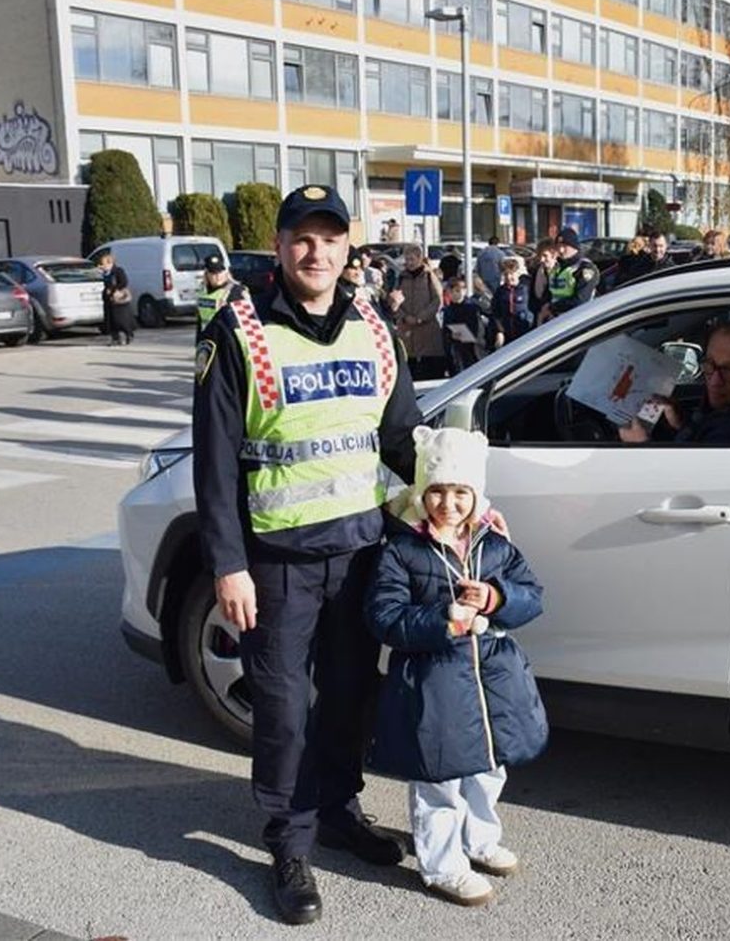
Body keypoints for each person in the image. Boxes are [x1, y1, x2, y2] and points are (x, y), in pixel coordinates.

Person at [192, 183, 422, 925]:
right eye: (302, 236)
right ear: (282, 244)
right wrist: (228, 564)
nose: (316, 251)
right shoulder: (239, 329)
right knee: (286, 713)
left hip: (358, 555)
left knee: (350, 697)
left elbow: (402, 442)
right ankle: (290, 843)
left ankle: (338, 808)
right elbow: (215, 462)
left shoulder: (375, 329)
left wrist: (460, 504)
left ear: (348, 246)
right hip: (277, 565)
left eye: (330, 237)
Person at [366, 425, 546, 906]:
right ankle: (441, 864)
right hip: (434, 683)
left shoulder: (495, 543)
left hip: (492, 679)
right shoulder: (403, 551)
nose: (449, 503)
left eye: (461, 492)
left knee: (489, 770)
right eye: (438, 491)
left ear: (476, 494)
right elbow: (384, 616)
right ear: (422, 493)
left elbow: (532, 597)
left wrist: (496, 597)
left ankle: (479, 839)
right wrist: (441, 621)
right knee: (439, 779)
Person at [619, 321, 730, 444]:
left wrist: (641, 446)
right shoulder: (722, 414)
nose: (715, 381)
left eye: (729, 370)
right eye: (709, 364)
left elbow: (696, 476)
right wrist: (682, 425)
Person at [389, 243, 445, 380]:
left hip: (427, 330)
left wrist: (420, 317)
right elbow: (394, 300)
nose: (409, 263)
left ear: (419, 258)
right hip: (407, 331)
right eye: (406, 259)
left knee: (428, 370)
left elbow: (437, 300)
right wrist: (404, 316)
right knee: (409, 369)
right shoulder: (401, 277)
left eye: (412, 259)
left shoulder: (429, 276)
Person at [537, 227, 598, 324]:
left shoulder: (585, 268)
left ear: (574, 247)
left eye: (565, 246)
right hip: (553, 320)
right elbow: (548, 293)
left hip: (576, 322)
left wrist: (552, 307)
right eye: (558, 246)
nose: (560, 250)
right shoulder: (557, 267)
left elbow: (580, 300)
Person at [441, 276, 492, 375]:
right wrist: (451, 336)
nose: (455, 294)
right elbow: (445, 330)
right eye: (452, 291)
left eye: (458, 290)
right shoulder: (448, 310)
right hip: (458, 350)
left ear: (464, 291)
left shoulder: (472, 307)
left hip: (476, 349)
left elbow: (479, 327)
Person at [196, 253, 246, 341]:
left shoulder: (235, 291)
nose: (217, 276)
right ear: (207, 274)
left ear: (225, 272)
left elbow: (244, 321)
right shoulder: (202, 292)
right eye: (213, 273)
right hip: (208, 339)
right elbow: (200, 320)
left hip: (228, 340)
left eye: (220, 272)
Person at [489, 256, 532, 347]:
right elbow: (495, 313)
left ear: (517, 273)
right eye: (505, 275)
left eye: (511, 274)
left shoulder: (526, 288)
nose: (508, 277)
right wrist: (500, 331)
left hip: (525, 331)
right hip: (507, 333)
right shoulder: (500, 291)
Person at [98, 252, 135, 346]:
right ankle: (115, 338)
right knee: (110, 321)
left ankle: (128, 335)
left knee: (121, 320)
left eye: (103, 264)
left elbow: (124, 282)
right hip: (109, 300)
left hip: (119, 300)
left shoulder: (118, 271)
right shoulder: (105, 273)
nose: (102, 266)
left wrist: (113, 290)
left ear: (110, 263)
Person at [528, 239, 557, 319]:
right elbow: (532, 298)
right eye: (539, 256)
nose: (541, 259)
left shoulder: (562, 272)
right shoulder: (537, 272)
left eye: (545, 255)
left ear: (554, 254)